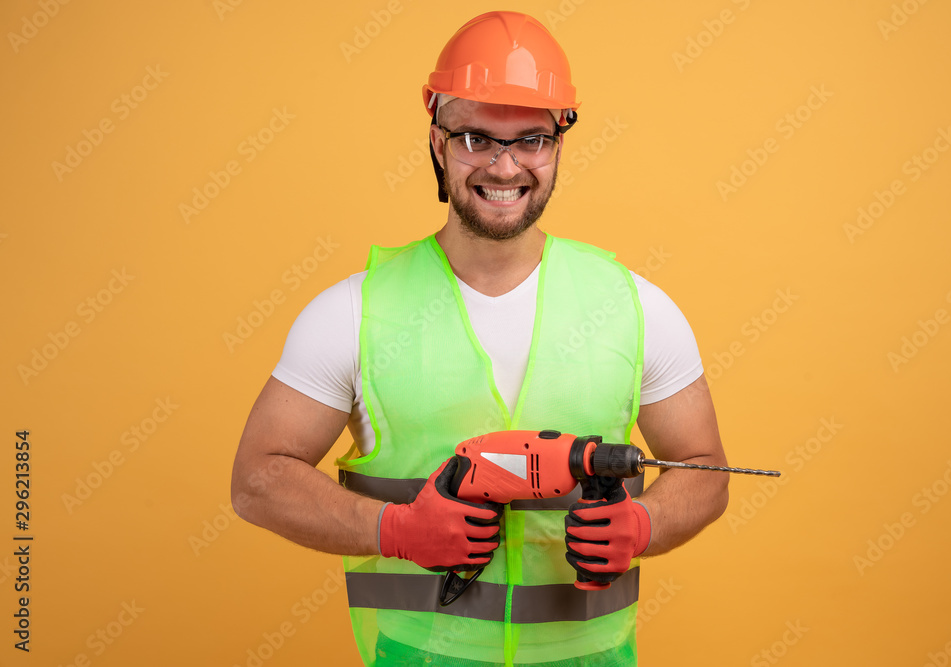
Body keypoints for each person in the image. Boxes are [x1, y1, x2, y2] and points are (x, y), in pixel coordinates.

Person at [231, 10, 729, 667]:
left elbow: (705, 469)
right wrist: (396, 529)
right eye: (475, 138)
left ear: (559, 142)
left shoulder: (635, 306)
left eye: (531, 139)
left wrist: (646, 523)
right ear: (437, 139)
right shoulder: (355, 310)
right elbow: (257, 480)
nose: (504, 164)